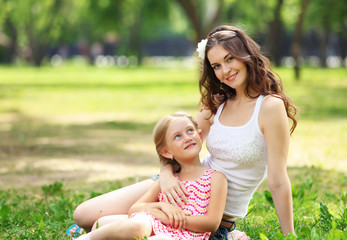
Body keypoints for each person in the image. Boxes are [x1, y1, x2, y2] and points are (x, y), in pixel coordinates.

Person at [68, 24, 297, 239]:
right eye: (216, 66)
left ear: (246, 55)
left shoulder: (269, 107)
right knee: (83, 214)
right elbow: (179, 145)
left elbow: (277, 181)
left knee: (112, 226)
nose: (225, 71)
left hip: (204, 214)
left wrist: (290, 236)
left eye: (229, 59)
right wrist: (167, 177)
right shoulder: (218, 103)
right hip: (177, 186)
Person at [72, 112, 227, 240]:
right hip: (153, 224)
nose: (187, 137)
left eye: (190, 131)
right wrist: (160, 207)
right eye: (177, 136)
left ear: (200, 136)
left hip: (186, 235)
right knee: (110, 222)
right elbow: (135, 209)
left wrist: (174, 219)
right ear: (167, 152)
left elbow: (212, 223)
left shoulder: (215, 178)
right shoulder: (168, 179)